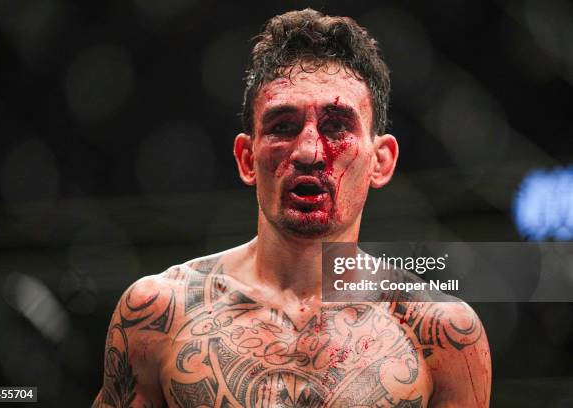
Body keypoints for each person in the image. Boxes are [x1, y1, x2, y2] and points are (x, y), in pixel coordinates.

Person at [92, 9, 491, 408]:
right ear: (247, 158)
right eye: (283, 126)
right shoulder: (158, 314)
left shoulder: (438, 334)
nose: (308, 152)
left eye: (337, 126)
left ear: (380, 161)